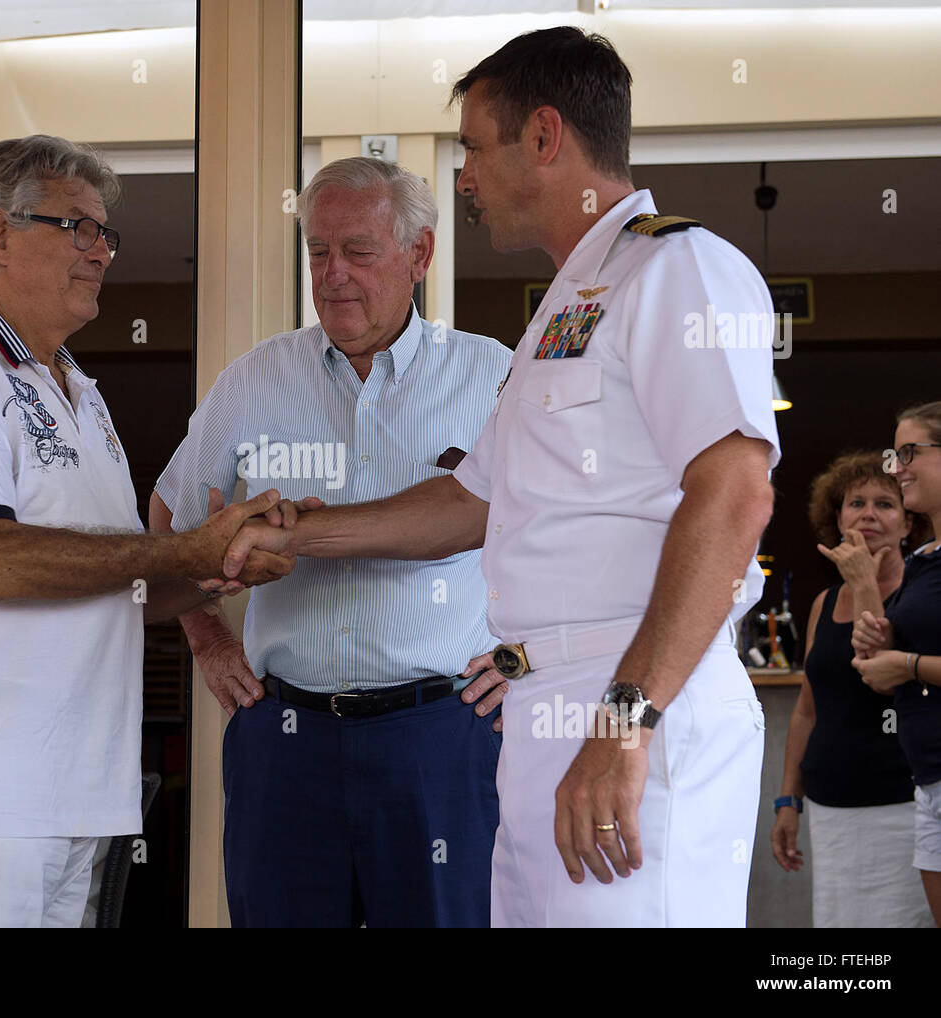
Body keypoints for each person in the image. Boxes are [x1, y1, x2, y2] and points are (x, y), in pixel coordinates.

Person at [226, 27, 780, 927]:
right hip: (540, 714)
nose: (466, 176)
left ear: (546, 136)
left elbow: (736, 493)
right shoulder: (562, 307)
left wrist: (626, 717)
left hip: (629, 694)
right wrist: (292, 535)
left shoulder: (679, 268)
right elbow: (470, 502)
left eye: (476, 148)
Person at [0, 135, 292, 928]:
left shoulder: (80, 389)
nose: (101, 251)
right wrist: (184, 548)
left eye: (106, 234)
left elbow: (117, 582)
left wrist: (222, 564)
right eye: (77, 228)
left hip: (80, 793)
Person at [150, 157, 511, 927]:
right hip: (286, 742)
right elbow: (170, 519)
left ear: (419, 256)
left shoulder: (491, 376)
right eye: (318, 252)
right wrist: (208, 640)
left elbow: (565, 536)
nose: (333, 274)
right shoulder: (254, 381)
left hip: (441, 738)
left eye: (358, 250)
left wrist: (525, 658)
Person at [769, 452, 932, 927]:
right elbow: (806, 711)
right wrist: (787, 801)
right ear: (836, 519)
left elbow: (879, 676)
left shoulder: (923, 596)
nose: (868, 514)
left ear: (908, 522)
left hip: (903, 807)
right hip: (832, 808)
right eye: (855, 503)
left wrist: (864, 582)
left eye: (885, 504)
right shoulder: (824, 602)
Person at [852, 401, 941, 926]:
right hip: (928, 778)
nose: (896, 467)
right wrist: (879, 640)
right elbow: (892, 678)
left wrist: (906, 664)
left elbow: (910, 669)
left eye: (909, 452)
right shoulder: (922, 560)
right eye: (895, 453)